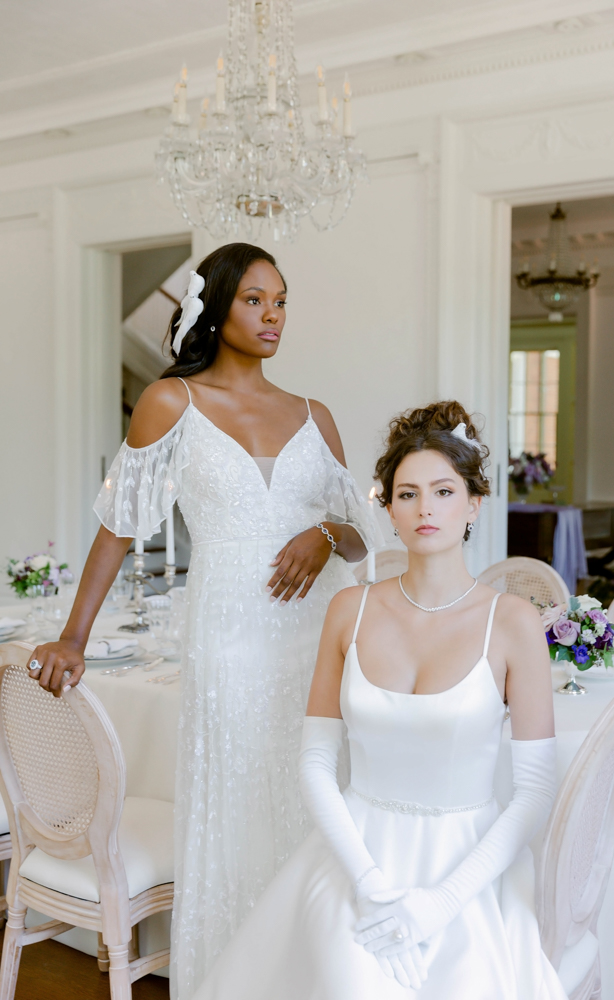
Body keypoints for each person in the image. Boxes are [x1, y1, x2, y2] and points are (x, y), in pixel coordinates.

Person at [27, 243, 377, 999]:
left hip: (312, 643)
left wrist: (320, 538)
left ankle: (321, 976)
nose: (272, 314)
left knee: (318, 797)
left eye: (281, 300)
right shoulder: (170, 402)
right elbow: (118, 529)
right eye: (254, 299)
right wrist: (73, 637)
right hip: (228, 640)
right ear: (214, 309)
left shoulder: (314, 414)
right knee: (238, 805)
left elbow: (358, 534)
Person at [192, 400, 567, 1000]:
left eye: (444, 492)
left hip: (467, 868)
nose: (425, 509)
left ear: (474, 502)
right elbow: (315, 762)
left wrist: (439, 904)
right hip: (355, 855)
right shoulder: (350, 609)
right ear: (388, 507)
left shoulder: (514, 621)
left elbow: (535, 791)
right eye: (408, 493)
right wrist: (368, 883)